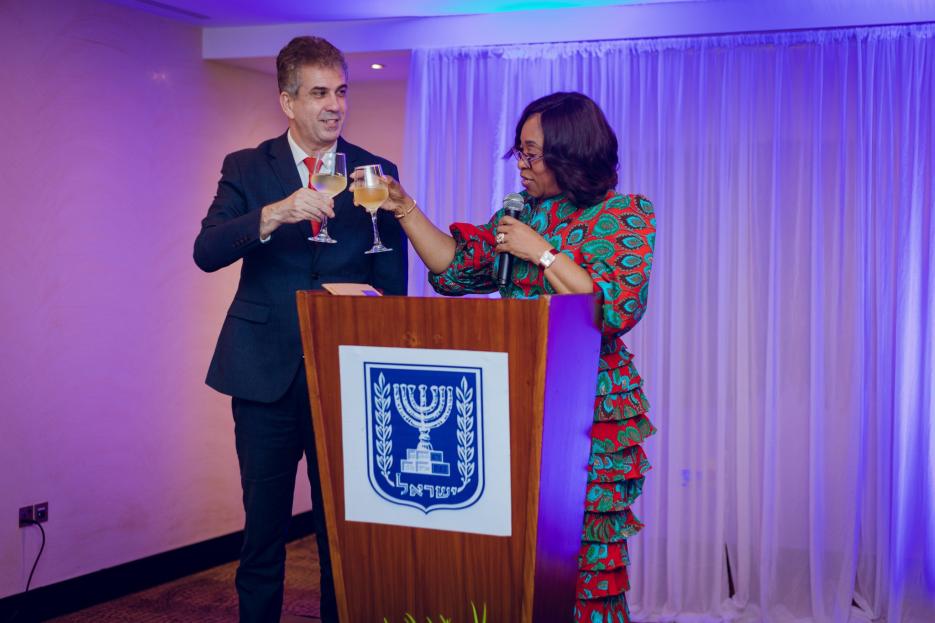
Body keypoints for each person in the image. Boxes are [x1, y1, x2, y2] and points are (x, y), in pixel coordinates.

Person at [359, 91, 654, 622]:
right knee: (516, 554)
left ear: (570, 151)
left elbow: (611, 309)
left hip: (589, 410)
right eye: (519, 151)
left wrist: (540, 252)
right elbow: (454, 272)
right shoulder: (519, 215)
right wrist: (404, 208)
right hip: (516, 398)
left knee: (582, 559)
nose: (521, 163)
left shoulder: (624, 213)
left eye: (532, 153)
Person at [193, 36, 408, 623]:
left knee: (341, 532)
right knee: (262, 533)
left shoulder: (375, 171)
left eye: (341, 91)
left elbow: (392, 282)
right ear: (288, 102)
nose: (334, 105)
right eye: (319, 93)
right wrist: (274, 214)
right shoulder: (245, 166)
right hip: (262, 372)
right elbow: (207, 251)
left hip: (345, 378)